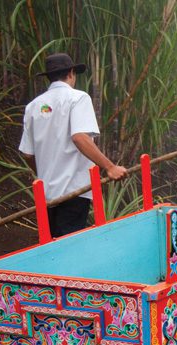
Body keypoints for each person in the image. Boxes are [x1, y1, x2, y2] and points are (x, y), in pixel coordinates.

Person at [18, 52, 127, 237]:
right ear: (71, 73)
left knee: (51, 246)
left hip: (47, 195)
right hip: (73, 191)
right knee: (67, 247)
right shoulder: (78, 98)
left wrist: (44, 174)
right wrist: (110, 167)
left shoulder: (33, 106)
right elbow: (79, 137)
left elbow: (27, 154)